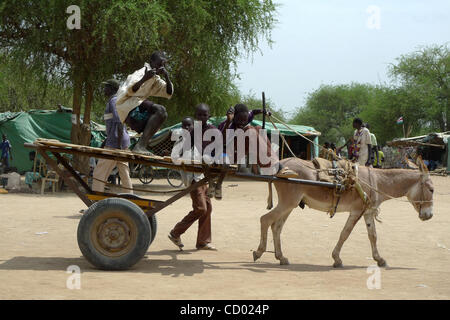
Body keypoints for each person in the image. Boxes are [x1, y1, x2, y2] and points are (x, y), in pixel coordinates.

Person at [168, 115, 217, 251]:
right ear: (183, 127)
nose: (189, 128)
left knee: (208, 208)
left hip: (201, 178)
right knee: (201, 209)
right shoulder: (181, 140)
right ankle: (175, 232)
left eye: (191, 126)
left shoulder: (196, 141)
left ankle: (203, 242)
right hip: (192, 180)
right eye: (186, 126)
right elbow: (174, 158)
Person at [115, 51, 173, 154]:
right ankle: (140, 146)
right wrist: (144, 78)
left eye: (163, 65)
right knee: (160, 110)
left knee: (162, 115)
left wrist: (167, 77)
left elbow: (168, 92)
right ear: (151, 62)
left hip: (135, 105)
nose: (161, 67)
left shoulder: (155, 78)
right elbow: (130, 89)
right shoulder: (141, 72)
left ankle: (141, 145)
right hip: (126, 103)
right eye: (158, 64)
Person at [92, 79, 133, 193]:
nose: (104, 89)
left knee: (99, 173)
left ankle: (95, 202)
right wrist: (107, 140)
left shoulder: (113, 101)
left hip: (116, 143)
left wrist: (118, 146)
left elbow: (119, 122)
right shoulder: (117, 101)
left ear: (111, 89)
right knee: (124, 173)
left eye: (106, 87)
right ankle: (130, 200)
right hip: (121, 141)